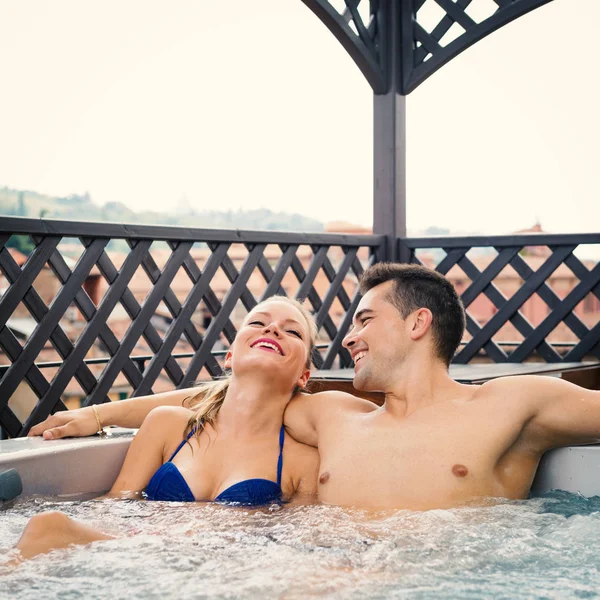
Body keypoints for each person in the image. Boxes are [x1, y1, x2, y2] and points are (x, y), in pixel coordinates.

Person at [31, 263, 600, 512]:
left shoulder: (513, 401)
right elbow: (230, 398)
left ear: (417, 323)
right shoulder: (332, 416)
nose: (348, 338)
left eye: (363, 320)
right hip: (323, 574)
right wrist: (97, 413)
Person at [15, 296, 319, 560]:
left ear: (304, 376)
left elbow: (296, 550)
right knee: (48, 526)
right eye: (257, 323)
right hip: (141, 556)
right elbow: (112, 507)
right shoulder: (168, 425)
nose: (272, 329)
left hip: (224, 571)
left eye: (291, 330)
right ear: (229, 357)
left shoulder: (301, 462)